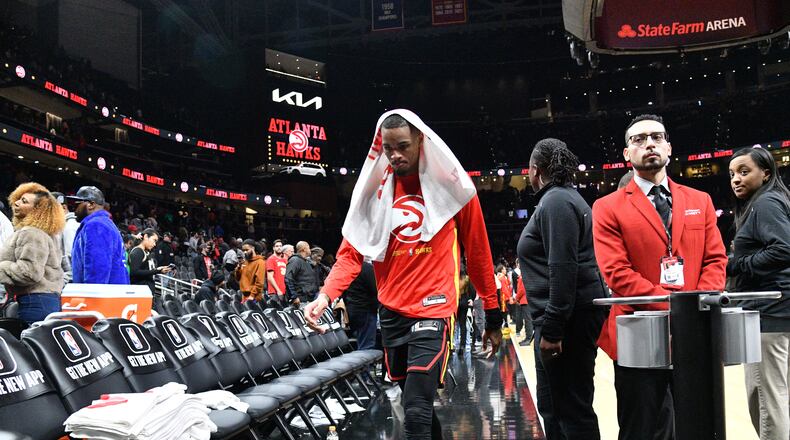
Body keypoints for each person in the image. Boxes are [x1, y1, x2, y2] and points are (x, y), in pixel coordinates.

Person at [303, 110, 503, 440]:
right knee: (415, 403)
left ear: (421, 141)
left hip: (434, 308)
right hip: (392, 312)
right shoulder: (373, 194)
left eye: (403, 146)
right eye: (388, 148)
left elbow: (479, 252)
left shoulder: (453, 188)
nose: (395, 155)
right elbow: (349, 256)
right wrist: (325, 296)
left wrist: (493, 316)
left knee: (416, 407)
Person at [592, 115, 727, 440]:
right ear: (627, 154)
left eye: (656, 137)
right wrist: (677, 308)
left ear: (668, 146)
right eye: (639, 139)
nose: (649, 144)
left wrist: (692, 309)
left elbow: (715, 260)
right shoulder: (606, 207)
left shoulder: (700, 201)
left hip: (693, 334)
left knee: (697, 424)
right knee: (642, 428)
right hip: (638, 335)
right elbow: (617, 273)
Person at [516, 138, 608, 440]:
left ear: (535, 170)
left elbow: (563, 268)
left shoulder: (556, 202)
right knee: (553, 407)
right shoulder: (561, 198)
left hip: (567, 321)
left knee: (572, 409)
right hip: (564, 317)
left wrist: (553, 329)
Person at [727, 147, 790, 440]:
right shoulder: (768, 201)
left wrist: (736, 264)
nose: (736, 179)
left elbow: (783, 249)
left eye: (744, 172)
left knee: (767, 400)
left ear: (765, 173)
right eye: (732, 174)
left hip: (769, 315)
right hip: (777, 312)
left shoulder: (765, 203)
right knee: (776, 397)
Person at [0, 183, 64, 323]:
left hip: (35, 302)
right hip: (44, 300)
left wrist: (2, 267)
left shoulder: (31, 233)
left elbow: (29, 273)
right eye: (18, 199)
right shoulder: (46, 232)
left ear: (37, 210)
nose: (16, 203)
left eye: (24, 201)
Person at [69, 186, 129, 284]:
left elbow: (97, 271)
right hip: (110, 291)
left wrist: (90, 293)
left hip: (100, 292)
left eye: (77, 204)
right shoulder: (103, 223)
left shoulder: (96, 225)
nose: (73, 208)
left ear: (91, 205)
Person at [128, 228, 173, 311]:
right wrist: (157, 271)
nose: (155, 244)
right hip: (140, 294)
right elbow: (134, 272)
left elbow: (145, 270)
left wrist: (158, 270)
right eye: (154, 240)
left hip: (146, 293)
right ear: (145, 237)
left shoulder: (144, 251)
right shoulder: (138, 251)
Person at [342, 261, 379, 351]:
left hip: (352, 308)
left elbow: (343, 291)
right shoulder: (367, 268)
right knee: (366, 344)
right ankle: (365, 360)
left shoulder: (348, 267)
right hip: (366, 309)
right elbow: (375, 289)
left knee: (360, 339)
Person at [51, 192, 79, 283]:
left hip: (69, 282)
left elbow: (71, 260)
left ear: (63, 207)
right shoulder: (63, 225)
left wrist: (63, 282)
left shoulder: (69, 227)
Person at [285, 241, 319, 305]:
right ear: (304, 249)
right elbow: (288, 278)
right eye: (308, 248)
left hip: (309, 299)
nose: (310, 250)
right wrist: (294, 296)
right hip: (300, 300)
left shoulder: (307, 262)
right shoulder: (295, 260)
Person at [512, 259, 533, 346]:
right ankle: (528, 337)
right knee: (528, 319)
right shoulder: (527, 273)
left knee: (528, 320)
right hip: (527, 299)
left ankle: (528, 338)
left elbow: (521, 290)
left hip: (524, 299)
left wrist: (516, 299)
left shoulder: (523, 275)